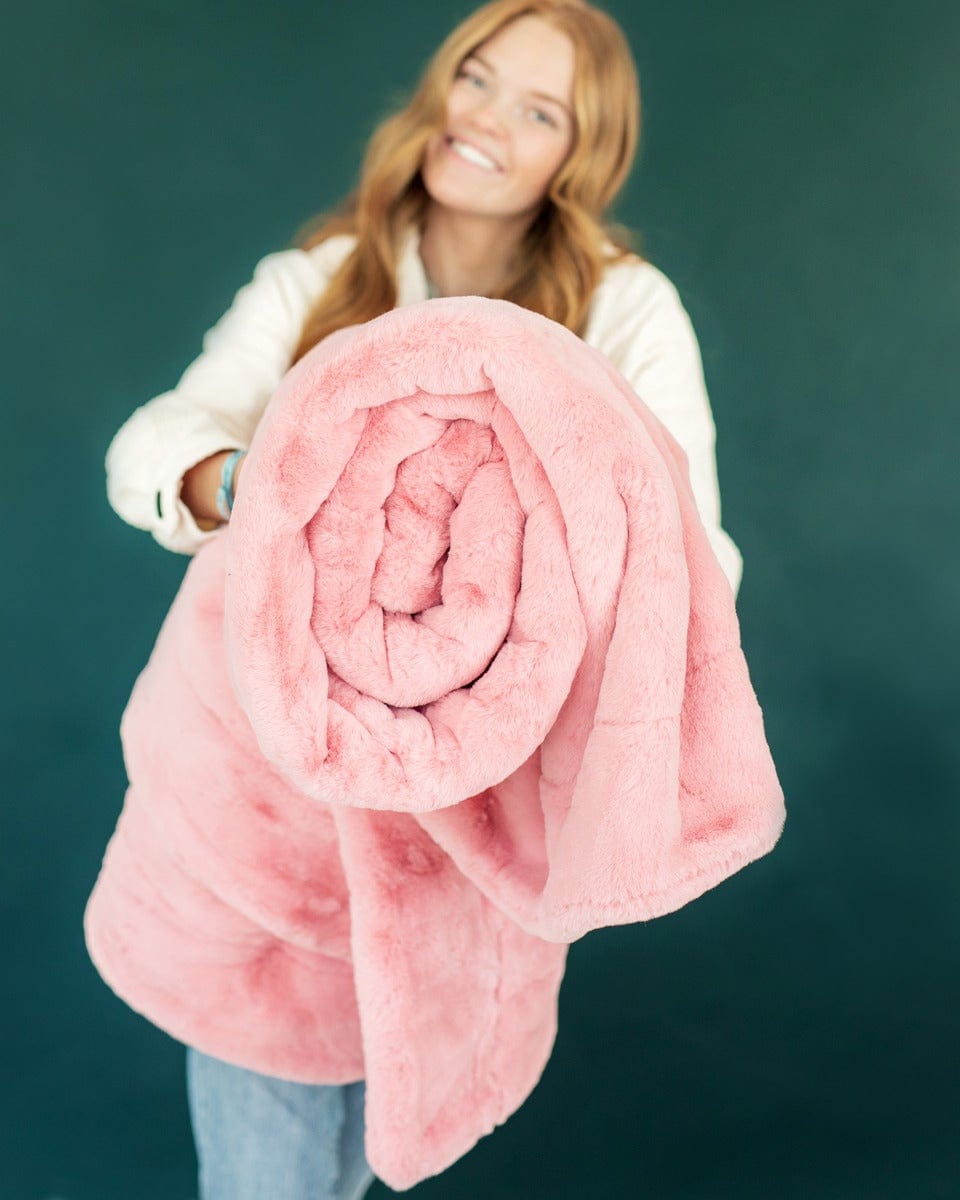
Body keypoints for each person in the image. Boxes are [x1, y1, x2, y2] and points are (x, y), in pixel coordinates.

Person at [104, 2, 744, 1196]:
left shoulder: (622, 312)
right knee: (270, 1159)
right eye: (478, 77)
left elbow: (696, 553)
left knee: (355, 1161)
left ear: (578, 154)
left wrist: (538, 587)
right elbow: (154, 447)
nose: (487, 119)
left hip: (464, 820)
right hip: (271, 805)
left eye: (538, 109)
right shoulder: (321, 274)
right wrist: (272, 483)